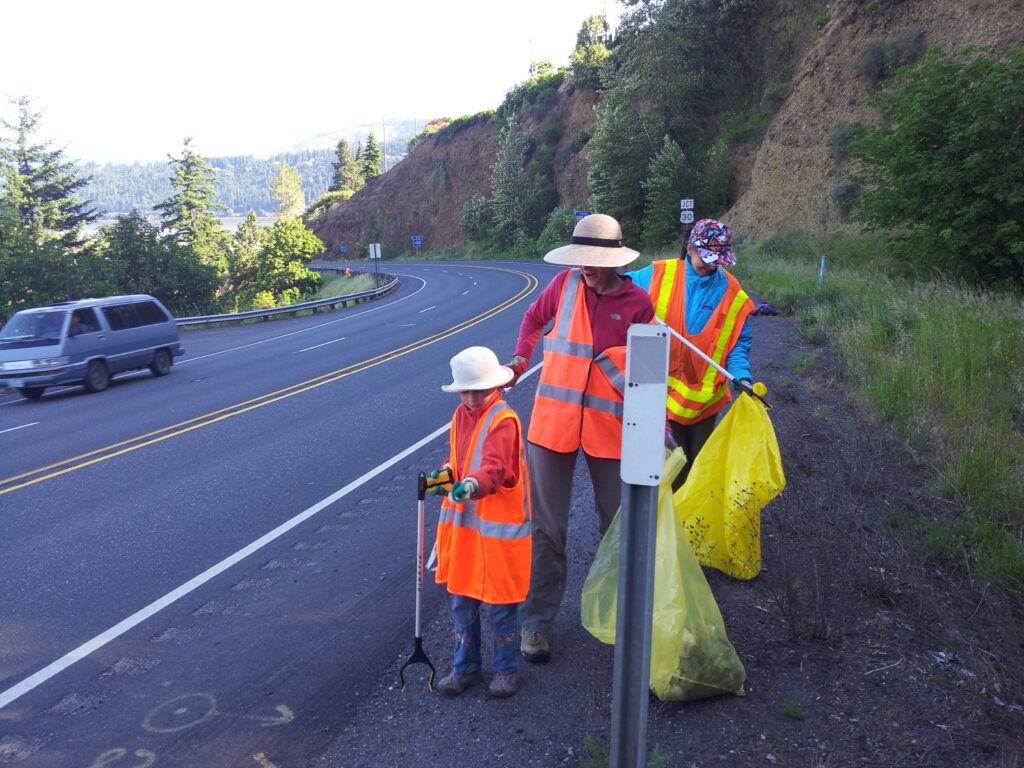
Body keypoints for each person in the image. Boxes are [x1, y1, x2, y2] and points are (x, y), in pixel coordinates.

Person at [504, 212, 653, 664]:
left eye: (593, 259)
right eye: (580, 257)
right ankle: (535, 625)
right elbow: (533, 317)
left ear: (614, 258)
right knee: (548, 531)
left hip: (610, 431)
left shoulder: (637, 303)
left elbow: (645, 377)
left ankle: (619, 616)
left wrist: (658, 428)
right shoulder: (564, 286)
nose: (584, 266)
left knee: (619, 529)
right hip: (552, 426)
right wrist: (518, 358)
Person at [432, 346, 531, 698]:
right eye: (466, 390)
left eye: (480, 390)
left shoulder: (503, 420)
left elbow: (495, 467)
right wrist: (446, 474)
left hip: (500, 533)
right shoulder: (461, 415)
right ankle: (465, 668)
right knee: (462, 602)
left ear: (495, 387)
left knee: (502, 605)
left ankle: (506, 671)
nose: (472, 397)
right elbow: (461, 457)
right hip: (467, 533)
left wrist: (472, 484)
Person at [626, 219, 755, 487]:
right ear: (690, 249)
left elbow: (738, 343)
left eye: (717, 260)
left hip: (703, 404)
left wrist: (741, 375)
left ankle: (689, 525)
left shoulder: (732, 292)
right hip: (659, 399)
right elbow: (619, 290)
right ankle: (665, 524)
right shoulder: (658, 274)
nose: (711, 265)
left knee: (698, 473)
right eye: (706, 257)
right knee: (667, 471)